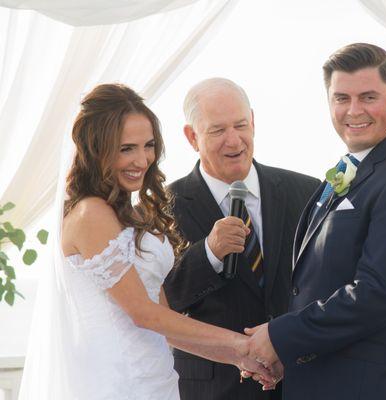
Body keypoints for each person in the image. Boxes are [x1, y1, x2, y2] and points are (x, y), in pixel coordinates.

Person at [18, 83, 274, 400]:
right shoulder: (89, 215)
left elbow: (163, 319)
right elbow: (142, 313)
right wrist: (242, 343)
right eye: (127, 148)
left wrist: (235, 357)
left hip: (157, 379)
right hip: (116, 383)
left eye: (148, 145)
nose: (142, 159)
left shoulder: (126, 213)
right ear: (97, 149)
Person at [245, 43, 386, 400]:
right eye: (341, 98)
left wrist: (281, 336)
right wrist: (288, 354)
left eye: (368, 97)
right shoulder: (354, 168)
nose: (354, 111)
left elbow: (377, 294)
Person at [162, 77, 320, 400]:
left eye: (241, 125)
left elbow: (324, 284)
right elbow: (161, 304)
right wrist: (209, 253)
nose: (234, 141)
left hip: (301, 384)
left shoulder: (306, 191)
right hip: (215, 389)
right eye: (218, 130)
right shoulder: (163, 208)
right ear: (192, 136)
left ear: (253, 122)